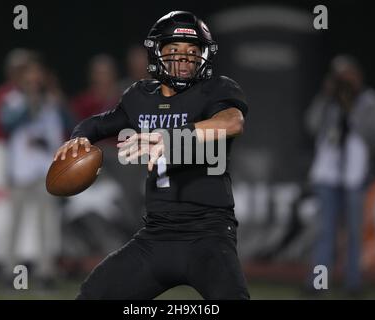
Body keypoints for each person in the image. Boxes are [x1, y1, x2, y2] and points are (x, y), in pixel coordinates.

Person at [54, 11, 250, 299]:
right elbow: (99, 123)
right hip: (156, 236)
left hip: (208, 235)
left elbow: (232, 122)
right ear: (157, 53)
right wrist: (78, 138)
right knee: (94, 294)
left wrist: (168, 137)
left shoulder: (216, 89)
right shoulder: (140, 97)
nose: (184, 58)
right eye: (173, 50)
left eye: (192, 51)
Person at [305, 55, 375, 293]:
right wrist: (326, 97)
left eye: (348, 75)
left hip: (355, 176)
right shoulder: (328, 101)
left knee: (354, 234)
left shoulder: (369, 101)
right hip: (327, 176)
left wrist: (352, 107)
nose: (344, 81)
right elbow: (311, 126)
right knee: (325, 233)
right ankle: (317, 284)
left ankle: (353, 284)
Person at [0, 55, 64, 286]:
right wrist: (30, 100)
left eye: (38, 76)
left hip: (45, 170)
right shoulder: (13, 100)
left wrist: (54, 98)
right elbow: (6, 123)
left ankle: (46, 271)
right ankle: (9, 269)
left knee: (47, 223)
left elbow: (67, 124)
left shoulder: (51, 102)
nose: (34, 80)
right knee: (15, 222)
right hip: (20, 171)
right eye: (30, 76)